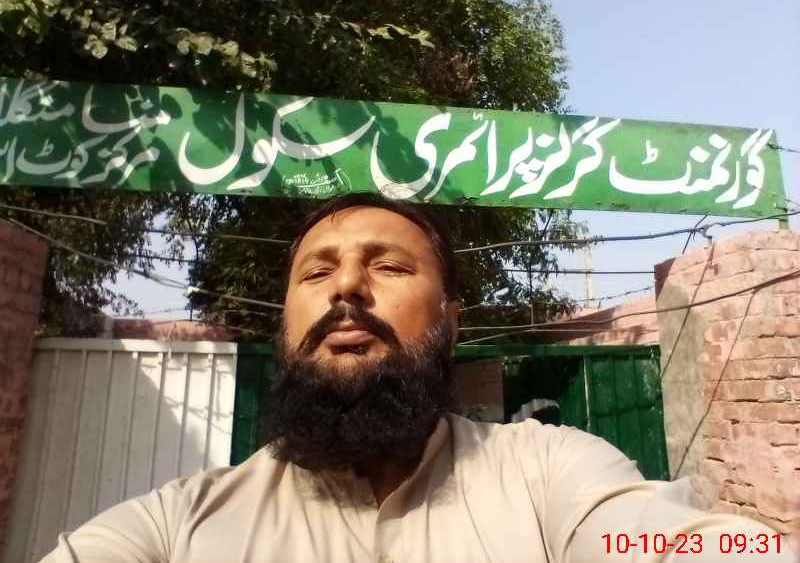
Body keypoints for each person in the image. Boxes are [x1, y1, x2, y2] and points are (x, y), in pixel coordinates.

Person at [41, 193, 796, 562]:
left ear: (451, 323)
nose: (346, 288)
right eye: (317, 273)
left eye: (390, 267)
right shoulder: (179, 525)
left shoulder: (549, 473)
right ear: (284, 326)